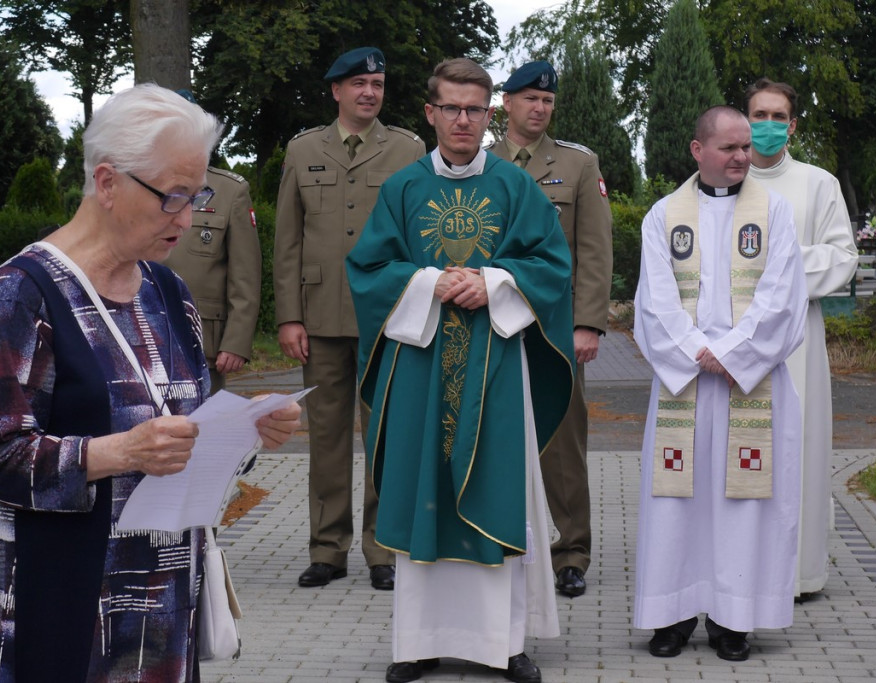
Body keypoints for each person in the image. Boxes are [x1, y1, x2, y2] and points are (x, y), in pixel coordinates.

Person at [0, 84, 302, 682]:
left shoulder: (168, 292)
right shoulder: (22, 295)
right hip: (66, 602)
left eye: (197, 195)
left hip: (167, 604)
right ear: (108, 182)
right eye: (173, 197)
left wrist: (248, 430)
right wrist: (117, 452)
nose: (187, 218)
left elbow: (182, 429)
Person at [347, 58, 575, 683]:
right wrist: (429, 282)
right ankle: (418, 643)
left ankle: (503, 644)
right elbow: (367, 270)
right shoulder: (402, 188)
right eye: (451, 107)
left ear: (489, 113)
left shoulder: (514, 186)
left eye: (475, 109)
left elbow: (552, 264)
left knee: (496, 487)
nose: (463, 120)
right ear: (431, 113)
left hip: (495, 365)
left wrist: (495, 282)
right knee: (423, 490)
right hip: (421, 367)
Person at [632, 106, 807, 662]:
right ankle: (673, 615)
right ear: (697, 150)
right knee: (676, 504)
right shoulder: (664, 214)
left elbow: (784, 297)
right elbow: (653, 301)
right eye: (729, 148)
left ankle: (734, 619)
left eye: (745, 147)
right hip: (683, 384)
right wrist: (696, 352)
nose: (741, 157)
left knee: (742, 506)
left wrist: (732, 354)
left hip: (749, 383)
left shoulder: (773, 212)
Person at [274, 46, 426, 591]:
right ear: (336, 90)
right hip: (319, 319)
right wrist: (289, 317)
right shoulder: (303, 150)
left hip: (387, 319)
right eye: (359, 83)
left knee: (385, 436)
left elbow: (419, 235)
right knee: (327, 440)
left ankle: (384, 550)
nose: (369, 92)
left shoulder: (408, 149)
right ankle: (327, 550)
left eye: (377, 84)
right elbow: (287, 241)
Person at [488, 60, 613, 598]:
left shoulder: (578, 164)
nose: (539, 108)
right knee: (491, 434)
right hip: (489, 324)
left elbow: (594, 250)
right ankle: (497, 543)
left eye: (547, 100)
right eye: (530, 98)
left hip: (555, 326)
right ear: (507, 103)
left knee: (562, 442)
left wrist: (588, 324)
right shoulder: (479, 162)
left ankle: (570, 553)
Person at [745, 78, 859, 598]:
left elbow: (842, 256)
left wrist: (777, 264)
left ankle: (798, 575)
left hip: (797, 339)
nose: (767, 125)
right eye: (759, 115)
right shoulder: (722, 180)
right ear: (745, 120)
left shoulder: (818, 184)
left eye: (777, 117)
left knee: (798, 450)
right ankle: (740, 573)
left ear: (792, 126)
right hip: (734, 337)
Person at [163, 164, 261, 395]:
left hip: (200, 338)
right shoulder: (138, 180)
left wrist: (235, 341)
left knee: (203, 417)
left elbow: (245, 274)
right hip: (137, 333)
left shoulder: (229, 190)